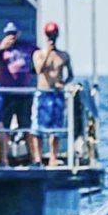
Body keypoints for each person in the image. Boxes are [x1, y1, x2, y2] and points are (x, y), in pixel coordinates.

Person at [0, 21, 38, 165]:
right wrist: (1, 49)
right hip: (6, 93)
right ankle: (3, 158)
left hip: (24, 93)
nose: (12, 36)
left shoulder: (28, 47)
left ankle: (34, 158)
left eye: (14, 33)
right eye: (9, 33)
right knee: (4, 127)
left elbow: (39, 60)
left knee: (26, 126)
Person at [31, 22, 74, 167]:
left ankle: (53, 157)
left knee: (56, 127)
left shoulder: (63, 56)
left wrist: (63, 83)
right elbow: (38, 69)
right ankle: (38, 158)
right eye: (50, 35)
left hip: (57, 94)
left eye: (54, 35)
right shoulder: (39, 54)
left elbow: (70, 74)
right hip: (43, 93)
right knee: (38, 127)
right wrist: (48, 52)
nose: (52, 38)